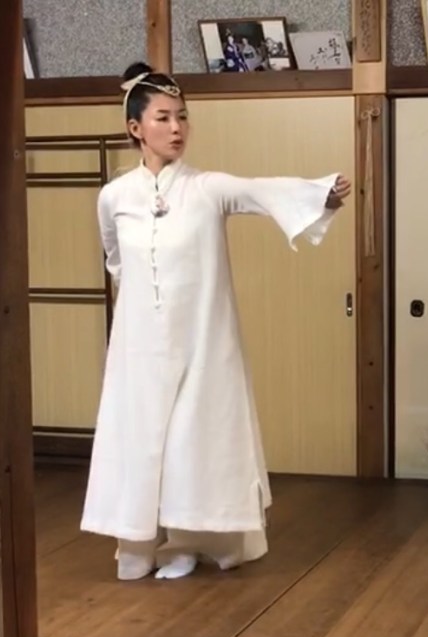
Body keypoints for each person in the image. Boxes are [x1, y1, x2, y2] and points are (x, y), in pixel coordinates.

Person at [80, 62, 352, 581]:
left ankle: (188, 541)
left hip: (201, 336)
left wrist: (318, 194)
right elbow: (115, 259)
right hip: (140, 342)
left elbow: (259, 191)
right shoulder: (114, 196)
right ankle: (136, 541)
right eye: (163, 118)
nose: (177, 128)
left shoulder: (207, 187)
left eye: (182, 117)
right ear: (136, 128)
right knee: (138, 434)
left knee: (193, 437)